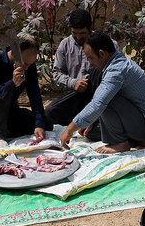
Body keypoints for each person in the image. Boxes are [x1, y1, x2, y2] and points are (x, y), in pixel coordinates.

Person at [59, 32, 145, 154]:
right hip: (139, 120)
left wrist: (69, 130)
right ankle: (138, 141)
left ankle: (121, 143)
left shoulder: (117, 70)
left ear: (102, 54)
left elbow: (98, 104)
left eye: (91, 57)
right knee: (91, 132)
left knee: (106, 98)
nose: (89, 61)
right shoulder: (117, 61)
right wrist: (92, 120)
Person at [45, 8, 105, 141]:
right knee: (50, 113)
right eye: (74, 33)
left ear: (90, 28)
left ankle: (95, 121)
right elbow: (56, 73)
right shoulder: (65, 45)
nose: (78, 37)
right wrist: (73, 83)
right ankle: (83, 121)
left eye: (82, 33)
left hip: (100, 96)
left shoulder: (103, 43)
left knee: (92, 132)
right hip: (76, 95)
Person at [0, 37, 47, 141]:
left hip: (8, 111)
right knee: (4, 92)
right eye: (24, 63)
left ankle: (5, 130)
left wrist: (39, 125)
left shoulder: (29, 67)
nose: (26, 68)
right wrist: (12, 83)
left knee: (45, 123)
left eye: (30, 64)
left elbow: (35, 96)